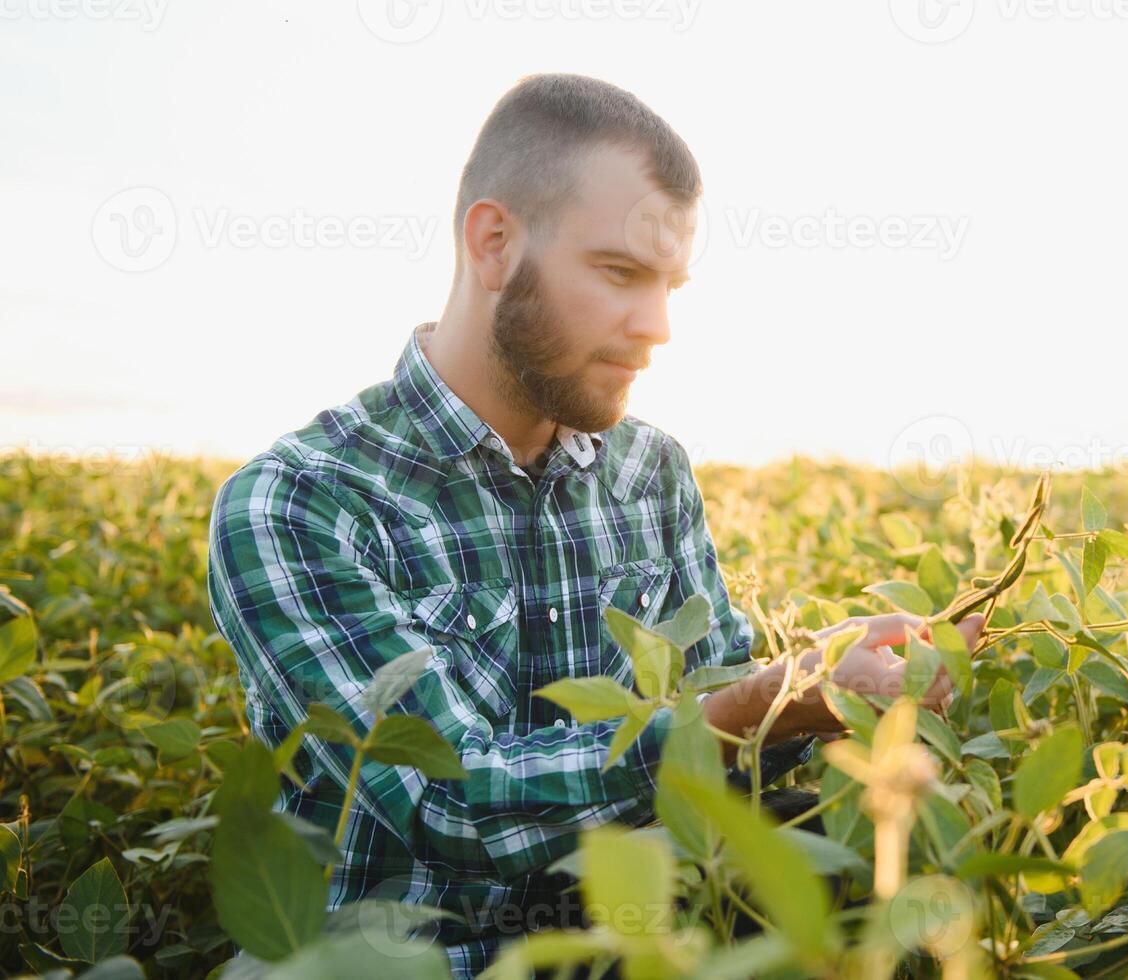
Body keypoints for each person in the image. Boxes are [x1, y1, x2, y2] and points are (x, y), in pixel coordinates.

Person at [206, 72, 982, 978]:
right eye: (618, 273)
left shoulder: (651, 472)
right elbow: (447, 802)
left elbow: (722, 748)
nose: (655, 326)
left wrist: (832, 694)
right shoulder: (300, 501)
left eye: (669, 285)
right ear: (494, 243)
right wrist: (753, 709)